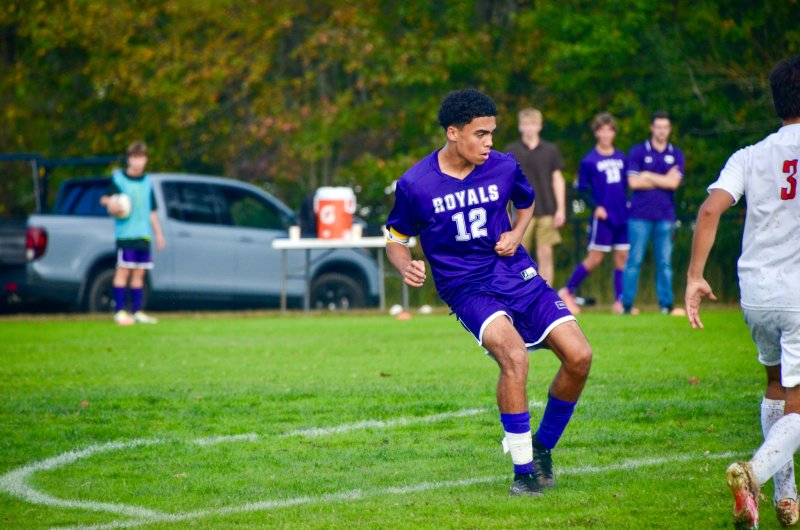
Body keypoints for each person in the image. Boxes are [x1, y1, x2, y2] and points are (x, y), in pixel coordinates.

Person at [385, 89, 592, 496]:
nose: (489, 142)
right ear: (453, 132)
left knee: (580, 357)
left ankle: (542, 447)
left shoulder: (503, 166)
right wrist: (405, 263)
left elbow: (527, 204)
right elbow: (395, 238)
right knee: (513, 356)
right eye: (480, 134)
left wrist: (516, 233)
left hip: (516, 273)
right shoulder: (416, 184)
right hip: (466, 286)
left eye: (492, 133)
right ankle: (524, 472)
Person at [685, 55, 800, 529]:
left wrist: (695, 276)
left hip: (756, 293)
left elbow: (711, 210)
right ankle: (753, 473)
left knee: (776, 387)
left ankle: (786, 501)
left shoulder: (750, 155)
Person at [558, 112, 629, 315]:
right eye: (601, 130)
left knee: (622, 256)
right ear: (596, 133)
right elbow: (582, 188)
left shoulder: (622, 157)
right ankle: (567, 290)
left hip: (622, 214)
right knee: (596, 257)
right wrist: (596, 206)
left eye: (609, 130)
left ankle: (619, 301)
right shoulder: (589, 160)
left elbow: (628, 185)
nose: (606, 134)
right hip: (603, 216)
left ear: (614, 133)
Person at [622, 111, 684, 315]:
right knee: (635, 260)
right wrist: (663, 179)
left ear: (670, 129)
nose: (661, 131)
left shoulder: (676, 154)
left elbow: (673, 183)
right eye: (658, 127)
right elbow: (633, 182)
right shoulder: (638, 152)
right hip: (638, 216)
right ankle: (627, 306)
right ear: (651, 128)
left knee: (664, 262)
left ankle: (666, 305)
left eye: (665, 127)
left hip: (665, 216)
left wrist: (648, 175)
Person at [99, 141, 165, 325]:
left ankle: (137, 311)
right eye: (134, 158)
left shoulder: (147, 182)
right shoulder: (119, 179)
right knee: (123, 271)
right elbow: (104, 198)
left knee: (139, 274)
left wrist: (159, 234)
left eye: (141, 158)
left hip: (143, 234)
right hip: (125, 235)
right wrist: (110, 203)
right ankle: (119, 311)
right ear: (129, 159)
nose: (137, 162)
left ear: (145, 160)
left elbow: (152, 211)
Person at [504, 108, 566, 286]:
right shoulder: (511, 151)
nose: (529, 128)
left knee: (545, 253)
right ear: (520, 127)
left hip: (546, 209)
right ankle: (519, 290)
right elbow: (505, 182)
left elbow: (557, 179)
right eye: (526, 124)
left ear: (539, 126)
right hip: (520, 211)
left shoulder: (551, 150)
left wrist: (560, 209)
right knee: (517, 254)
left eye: (533, 124)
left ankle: (546, 293)